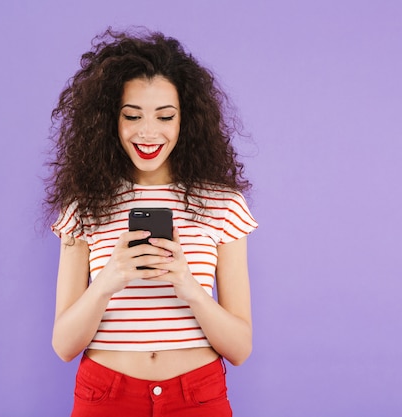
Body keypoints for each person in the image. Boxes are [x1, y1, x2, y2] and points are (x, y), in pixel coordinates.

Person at [45, 27, 258, 417]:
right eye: (132, 115)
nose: (148, 131)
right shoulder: (84, 206)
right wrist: (109, 279)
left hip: (198, 395)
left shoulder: (223, 204)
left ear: (185, 121)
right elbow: (63, 345)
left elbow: (240, 348)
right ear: (110, 120)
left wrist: (188, 285)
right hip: (105, 396)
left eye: (165, 116)